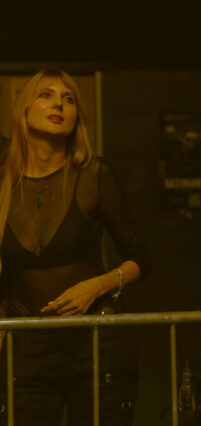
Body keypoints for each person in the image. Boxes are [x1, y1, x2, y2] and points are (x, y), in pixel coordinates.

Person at [0, 70, 150, 425]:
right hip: (28, 349)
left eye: (68, 99)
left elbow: (142, 257)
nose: (58, 104)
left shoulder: (94, 175)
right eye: (46, 95)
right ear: (24, 109)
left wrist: (96, 286)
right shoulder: (4, 183)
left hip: (96, 342)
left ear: (76, 117)